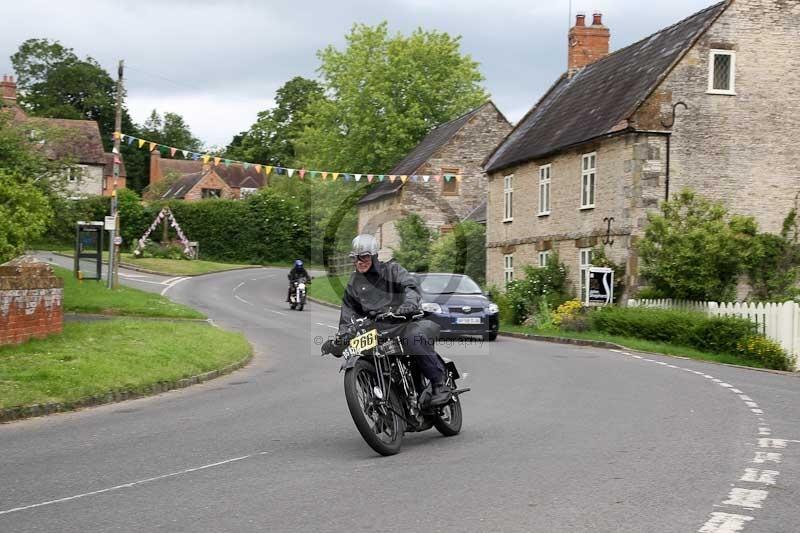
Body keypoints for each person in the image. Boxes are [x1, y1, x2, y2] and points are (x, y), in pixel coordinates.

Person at [321, 234, 451, 407]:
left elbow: (409, 287)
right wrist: (341, 338)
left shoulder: (392, 270)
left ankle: (439, 384)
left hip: (404, 324)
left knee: (413, 339)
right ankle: (382, 407)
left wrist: (409, 304)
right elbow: (347, 316)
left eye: (364, 256)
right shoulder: (353, 285)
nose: (360, 261)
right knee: (364, 356)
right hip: (376, 332)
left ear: (374, 256)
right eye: (355, 258)